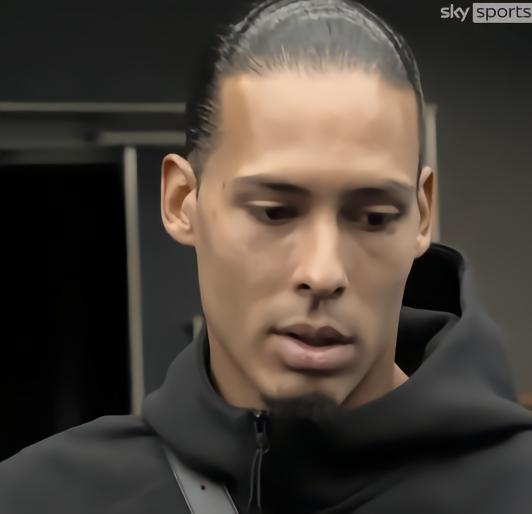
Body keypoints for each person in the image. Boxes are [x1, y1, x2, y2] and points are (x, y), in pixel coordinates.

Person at [2, 1, 532, 513]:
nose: (322, 273)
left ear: (421, 215)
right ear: (182, 201)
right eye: (274, 213)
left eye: (373, 217)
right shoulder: (41, 497)